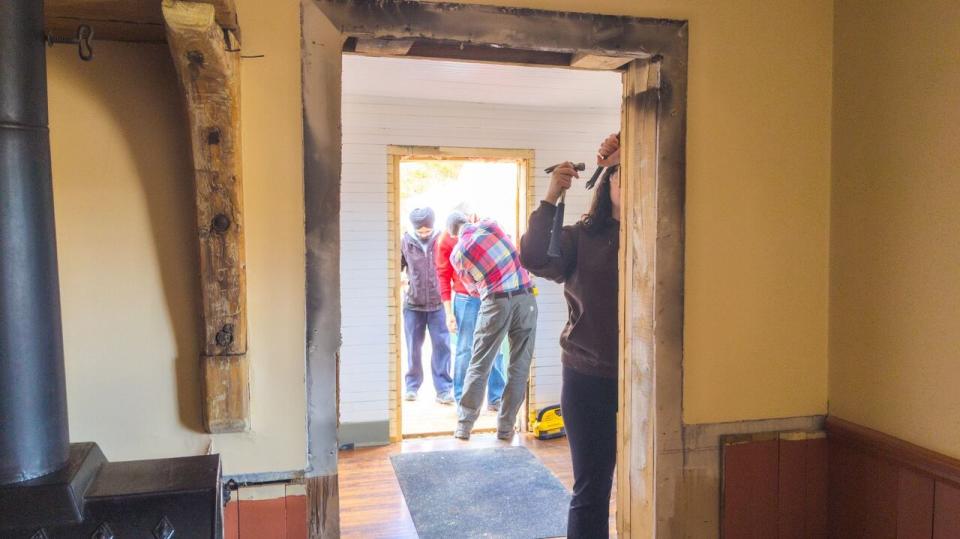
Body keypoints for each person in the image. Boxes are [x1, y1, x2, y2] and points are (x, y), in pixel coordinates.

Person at [519, 133, 621, 538]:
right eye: (619, 175)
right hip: (588, 376)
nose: (629, 184)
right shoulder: (581, 237)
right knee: (592, 488)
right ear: (606, 183)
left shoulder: (657, 236)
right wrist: (552, 196)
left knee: (650, 476)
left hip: (647, 379)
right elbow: (535, 257)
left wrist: (624, 141)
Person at [450, 218, 537, 441]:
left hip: (495, 302)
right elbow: (512, 249)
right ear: (470, 222)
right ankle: (506, 428)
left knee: (480, 363)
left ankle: (464, 426)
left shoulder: (458, 255)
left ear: (455, 235)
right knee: (519, 366)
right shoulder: (491, 226)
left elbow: (472, 290)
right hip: (526, 298)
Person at [435, 211, 508, 411]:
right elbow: (443, 277)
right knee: (465, 349)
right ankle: (462, 400)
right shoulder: (446, 241)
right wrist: (449, 313)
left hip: (490, 295)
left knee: (494, 346)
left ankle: (496, 397)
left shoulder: (482, 231)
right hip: (465, 299)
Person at [400, 207, 454, 404]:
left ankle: (444, 389)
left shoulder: (441, 241)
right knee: (413, 348)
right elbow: (396, 267)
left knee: (442, 347)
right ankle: (412, 386)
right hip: (413, 305)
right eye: (420, 231)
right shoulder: (405, 242)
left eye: (427, 231)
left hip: (438, 304)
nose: (424, 234)